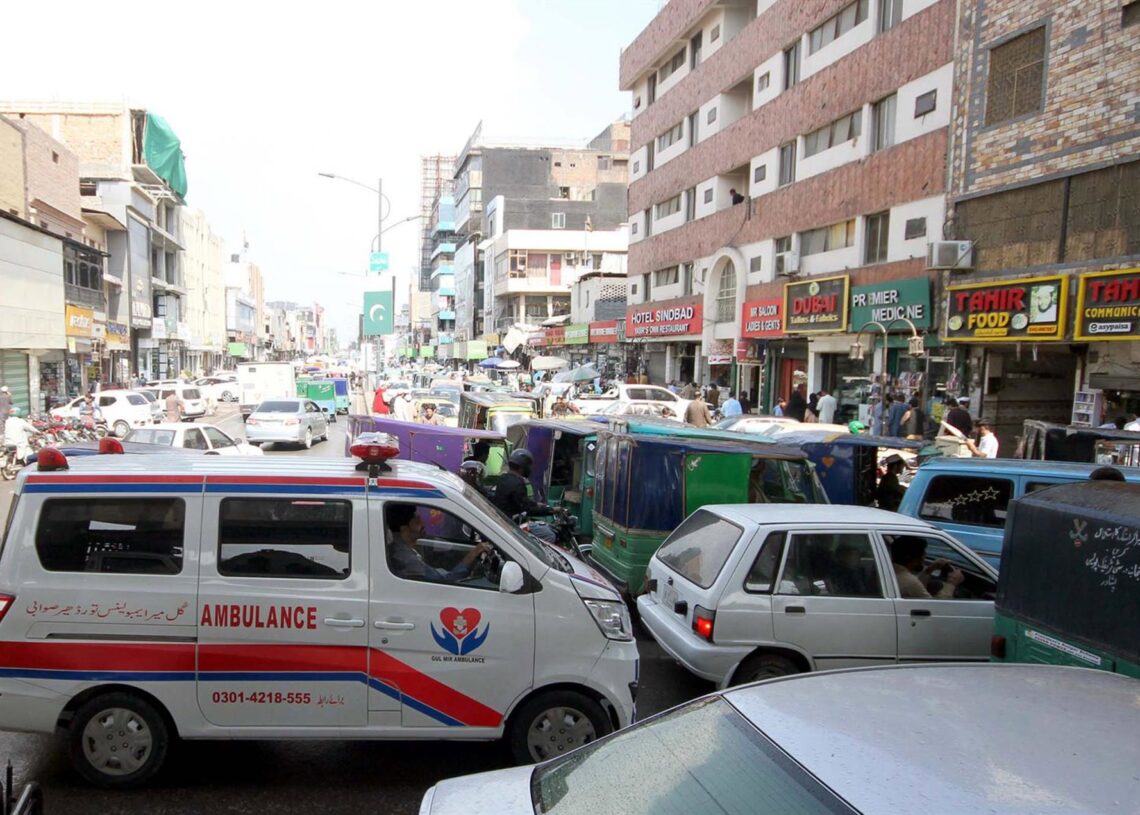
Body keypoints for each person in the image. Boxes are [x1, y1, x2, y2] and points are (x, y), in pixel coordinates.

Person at [386, 504, 491, 583]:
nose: (423, 524)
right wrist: (472, 554)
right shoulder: (408, 560)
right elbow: (447, 582)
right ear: (404, 530)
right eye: (417, 522)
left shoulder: (407, 548)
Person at [492, 449, 564, 531]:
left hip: (501, 521)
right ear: (523, 466)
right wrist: (551, 510)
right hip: (510, 526)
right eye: (529, 466)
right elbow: (527, 508)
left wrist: (536, 504)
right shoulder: (517, 484)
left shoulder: (503, 479)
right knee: (548, 534)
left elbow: (519, 501)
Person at [890, 535, 963, 599]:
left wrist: (929, 570)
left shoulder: (892, 571)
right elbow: (935, 608)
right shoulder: (909, 582)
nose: (924, 557)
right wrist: (951, 583)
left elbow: (916, 588)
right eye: (923, 554)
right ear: (913, 559)